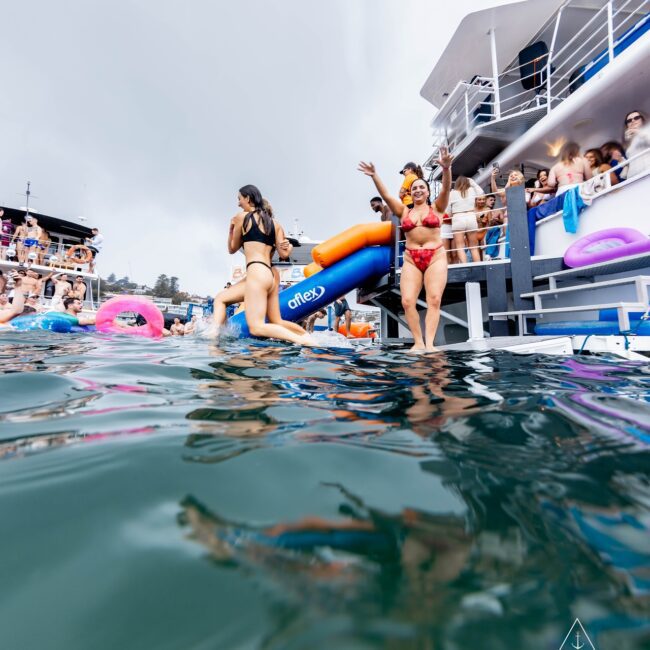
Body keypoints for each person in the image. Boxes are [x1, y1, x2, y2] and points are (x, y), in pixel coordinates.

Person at [358, 146, 453, 352]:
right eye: (414, 189)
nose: (418, 190)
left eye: (422, 187)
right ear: (411, 193)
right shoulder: (403, 212)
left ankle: (430, 344)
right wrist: (375, 176)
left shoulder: (437, 208)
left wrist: (446, 169)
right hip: (411, 258)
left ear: (427, 192)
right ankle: (418, 342)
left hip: (435, 256)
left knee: (434, 299)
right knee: (408, 301)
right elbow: (386, 195)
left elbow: (445, 189)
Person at [215, 190, 313, 345]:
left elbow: (232, 249)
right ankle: (307, 336)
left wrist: (232, 230)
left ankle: (305, 341)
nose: (239, 204)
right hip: (271, 274)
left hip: (258, 271)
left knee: (256, 327)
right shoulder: (275, 226)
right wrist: (288, 247)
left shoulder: (246, 219)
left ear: (249, 200)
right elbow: (284, 254)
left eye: (240, 199)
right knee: (276, 320)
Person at [448, 176, 484, 263]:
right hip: (471, 216)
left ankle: (465, 266)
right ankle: (478, 267)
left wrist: (451, 215)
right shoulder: (472, 191)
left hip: (458, 218)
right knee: (473, 247)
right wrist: (472, 182)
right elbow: (481, 192)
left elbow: (448, 210)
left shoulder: (452, 193)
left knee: (460, 246)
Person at [623, 110, 650, 179]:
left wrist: (638, 132)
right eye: (629, 120)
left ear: (642, 119)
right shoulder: (629, 140)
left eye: (637, 118)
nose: (632, 121)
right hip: (633, 176)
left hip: (647, 172)